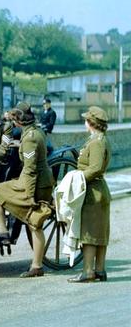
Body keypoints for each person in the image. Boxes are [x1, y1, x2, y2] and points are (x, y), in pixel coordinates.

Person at [0, 102, 54, 277]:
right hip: (36, 179)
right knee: (33, 223)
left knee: (34, 222)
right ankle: (4, 231)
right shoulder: (34, 131)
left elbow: (31, 169)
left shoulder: (30, 138)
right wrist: (19, 145)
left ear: (18, 121)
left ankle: (35, 265)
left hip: (34, 183)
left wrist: (29, 197)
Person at [68, 106, 111, 283]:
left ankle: (88, 272)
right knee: (99, 233)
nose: (85, 122)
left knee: (89, 235)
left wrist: (75, 179)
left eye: (86, 120)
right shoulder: (99, 139)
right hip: (98, 190)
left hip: (92, 191)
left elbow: (95, 168)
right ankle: (100, 270)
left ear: (91, 123)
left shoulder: (96, 142)